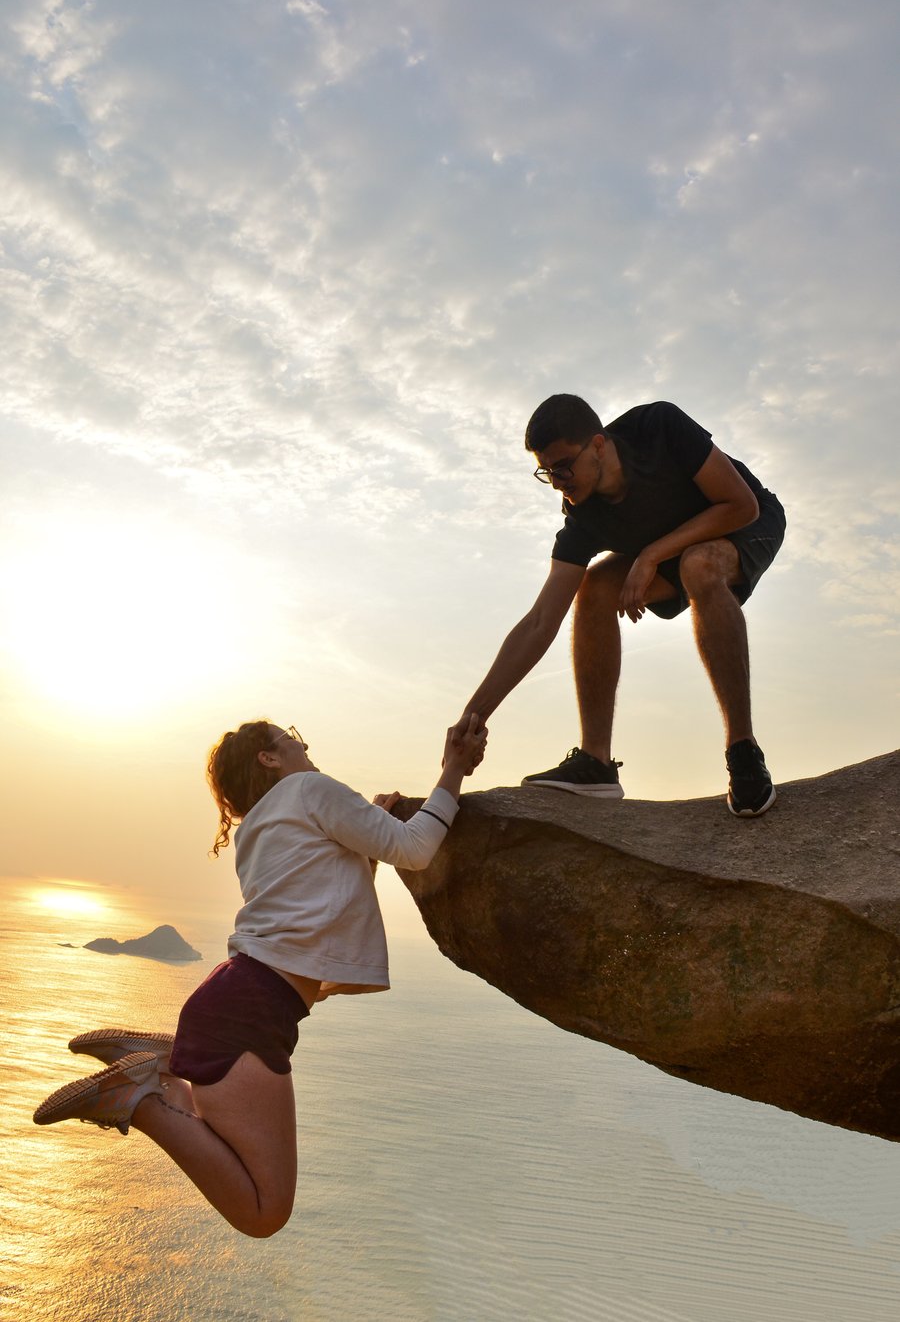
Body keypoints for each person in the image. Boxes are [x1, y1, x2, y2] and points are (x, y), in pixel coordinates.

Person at [33, 714, 486, 1237]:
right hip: (246, 1013)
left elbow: (320, 908)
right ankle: (140, 1099)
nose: (303, 745)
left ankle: (165, 1057)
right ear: (268, 758)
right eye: (291, 738)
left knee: (261, 1205)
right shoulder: (309, 789)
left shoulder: (260, 830)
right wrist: (453, 771)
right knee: (263, 1211)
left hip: (237, 1002)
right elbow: (415, 847)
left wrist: (366, 842)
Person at [457, 394, 785, 816]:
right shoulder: (584, 515)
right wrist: (475, 714)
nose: (557, 481)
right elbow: (540, 621)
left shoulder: (658, 427)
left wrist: (650, 556)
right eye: (546, 472)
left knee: (699, 565)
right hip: (675, 549)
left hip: (747, 522)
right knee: (592, 587)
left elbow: (740, 505)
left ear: (597, 445)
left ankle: (743, 750)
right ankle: (596, 763)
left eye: (562, 467)